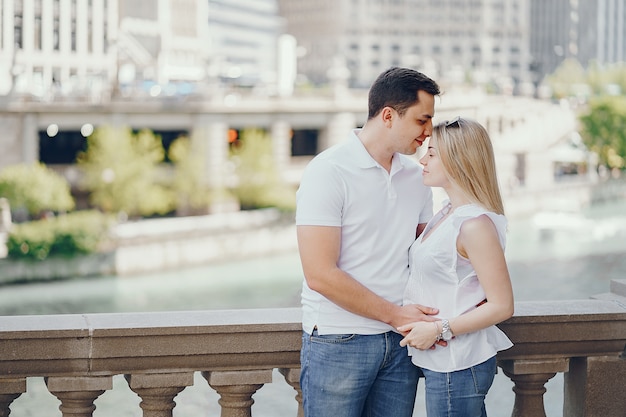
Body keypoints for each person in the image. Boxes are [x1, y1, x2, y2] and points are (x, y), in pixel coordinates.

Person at [295, 67, 441, 417]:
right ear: (388, 115)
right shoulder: (328, 171)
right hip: (339, 339)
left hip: (402, 339)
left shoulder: (416, 176)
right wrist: (396, 315)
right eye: (423, 120)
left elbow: (426, 255)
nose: (428, 132)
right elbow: (320, 274)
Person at [398, 117, 515, 417]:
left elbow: (502, 306)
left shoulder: (475, 225)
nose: (423, 159)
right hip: (444, 362)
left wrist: (438, 330)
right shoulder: (447, 214)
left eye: (432, 153)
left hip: (458, 363)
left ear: (458, 159)